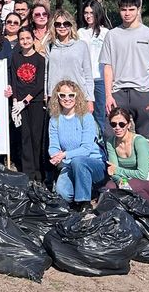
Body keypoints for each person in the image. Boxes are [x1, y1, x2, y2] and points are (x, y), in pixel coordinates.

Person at [100, 0, 149, 139]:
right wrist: (109, 95)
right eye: (123, 9)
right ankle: (114, 162)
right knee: (110, 135)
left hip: (143, 93)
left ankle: (142, 162)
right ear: (119, 10)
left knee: (143, 139)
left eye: (131, 9)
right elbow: (107, 66)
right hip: (118, 94)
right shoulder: (112, 35)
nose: (127, 13)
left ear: (138, 9)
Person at [104, 108, 149, 221]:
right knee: (110, 187)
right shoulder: (111, 142)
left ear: (128, 125)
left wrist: (118, 171)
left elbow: (142, 174)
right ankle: (144, 215)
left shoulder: (139, 141)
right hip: (130, 182)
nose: (117, 127)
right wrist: (121, 181)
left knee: (135, 184)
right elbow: (112, 171)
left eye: (121, 124)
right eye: (113, 124)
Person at [48, 80, 106, 211]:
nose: (67, 99)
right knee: (63, 193)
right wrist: (55, 155)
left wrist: (65, 154)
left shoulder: (86, 117)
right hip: (68, 163)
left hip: (93, 163)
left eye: (71, 95)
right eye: (62, 95)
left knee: (78, 161)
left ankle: (84, 202)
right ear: (57, 97)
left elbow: (86, 149)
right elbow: (53, 145)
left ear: (77, 96)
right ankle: (84, 189)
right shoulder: (54, 120)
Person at [5, 28, 48, 182]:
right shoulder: (16, 58)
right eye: (22, 39)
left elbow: (39, 85)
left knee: (36, 138)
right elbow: (14, 81)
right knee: (25, 138)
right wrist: (16, 101)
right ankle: (28, 174)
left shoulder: (40, 59)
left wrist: (25, 101)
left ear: (33, 38)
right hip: (19, 104)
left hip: (34, 103)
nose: (25, 41)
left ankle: (38, 173)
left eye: (28, 38)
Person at [44, 9, 93, 112]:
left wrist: (90, 99)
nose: (62, 27)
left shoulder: (81, 45)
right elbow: (46, 73)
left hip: (78, 95)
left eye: (66, 23)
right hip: (56, 96)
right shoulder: (49, 45)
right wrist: (46, 93)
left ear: (71, 25)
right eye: (58, 24)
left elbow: (88, 75)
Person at [79, 0, 111, 128]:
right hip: (84, 80)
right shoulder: (80, 33)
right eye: (86, 12)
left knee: (100, 116)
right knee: (85, 116)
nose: (88, 16)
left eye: (91, 12)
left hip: (100, 80)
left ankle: (102, 146)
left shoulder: (106, 33)